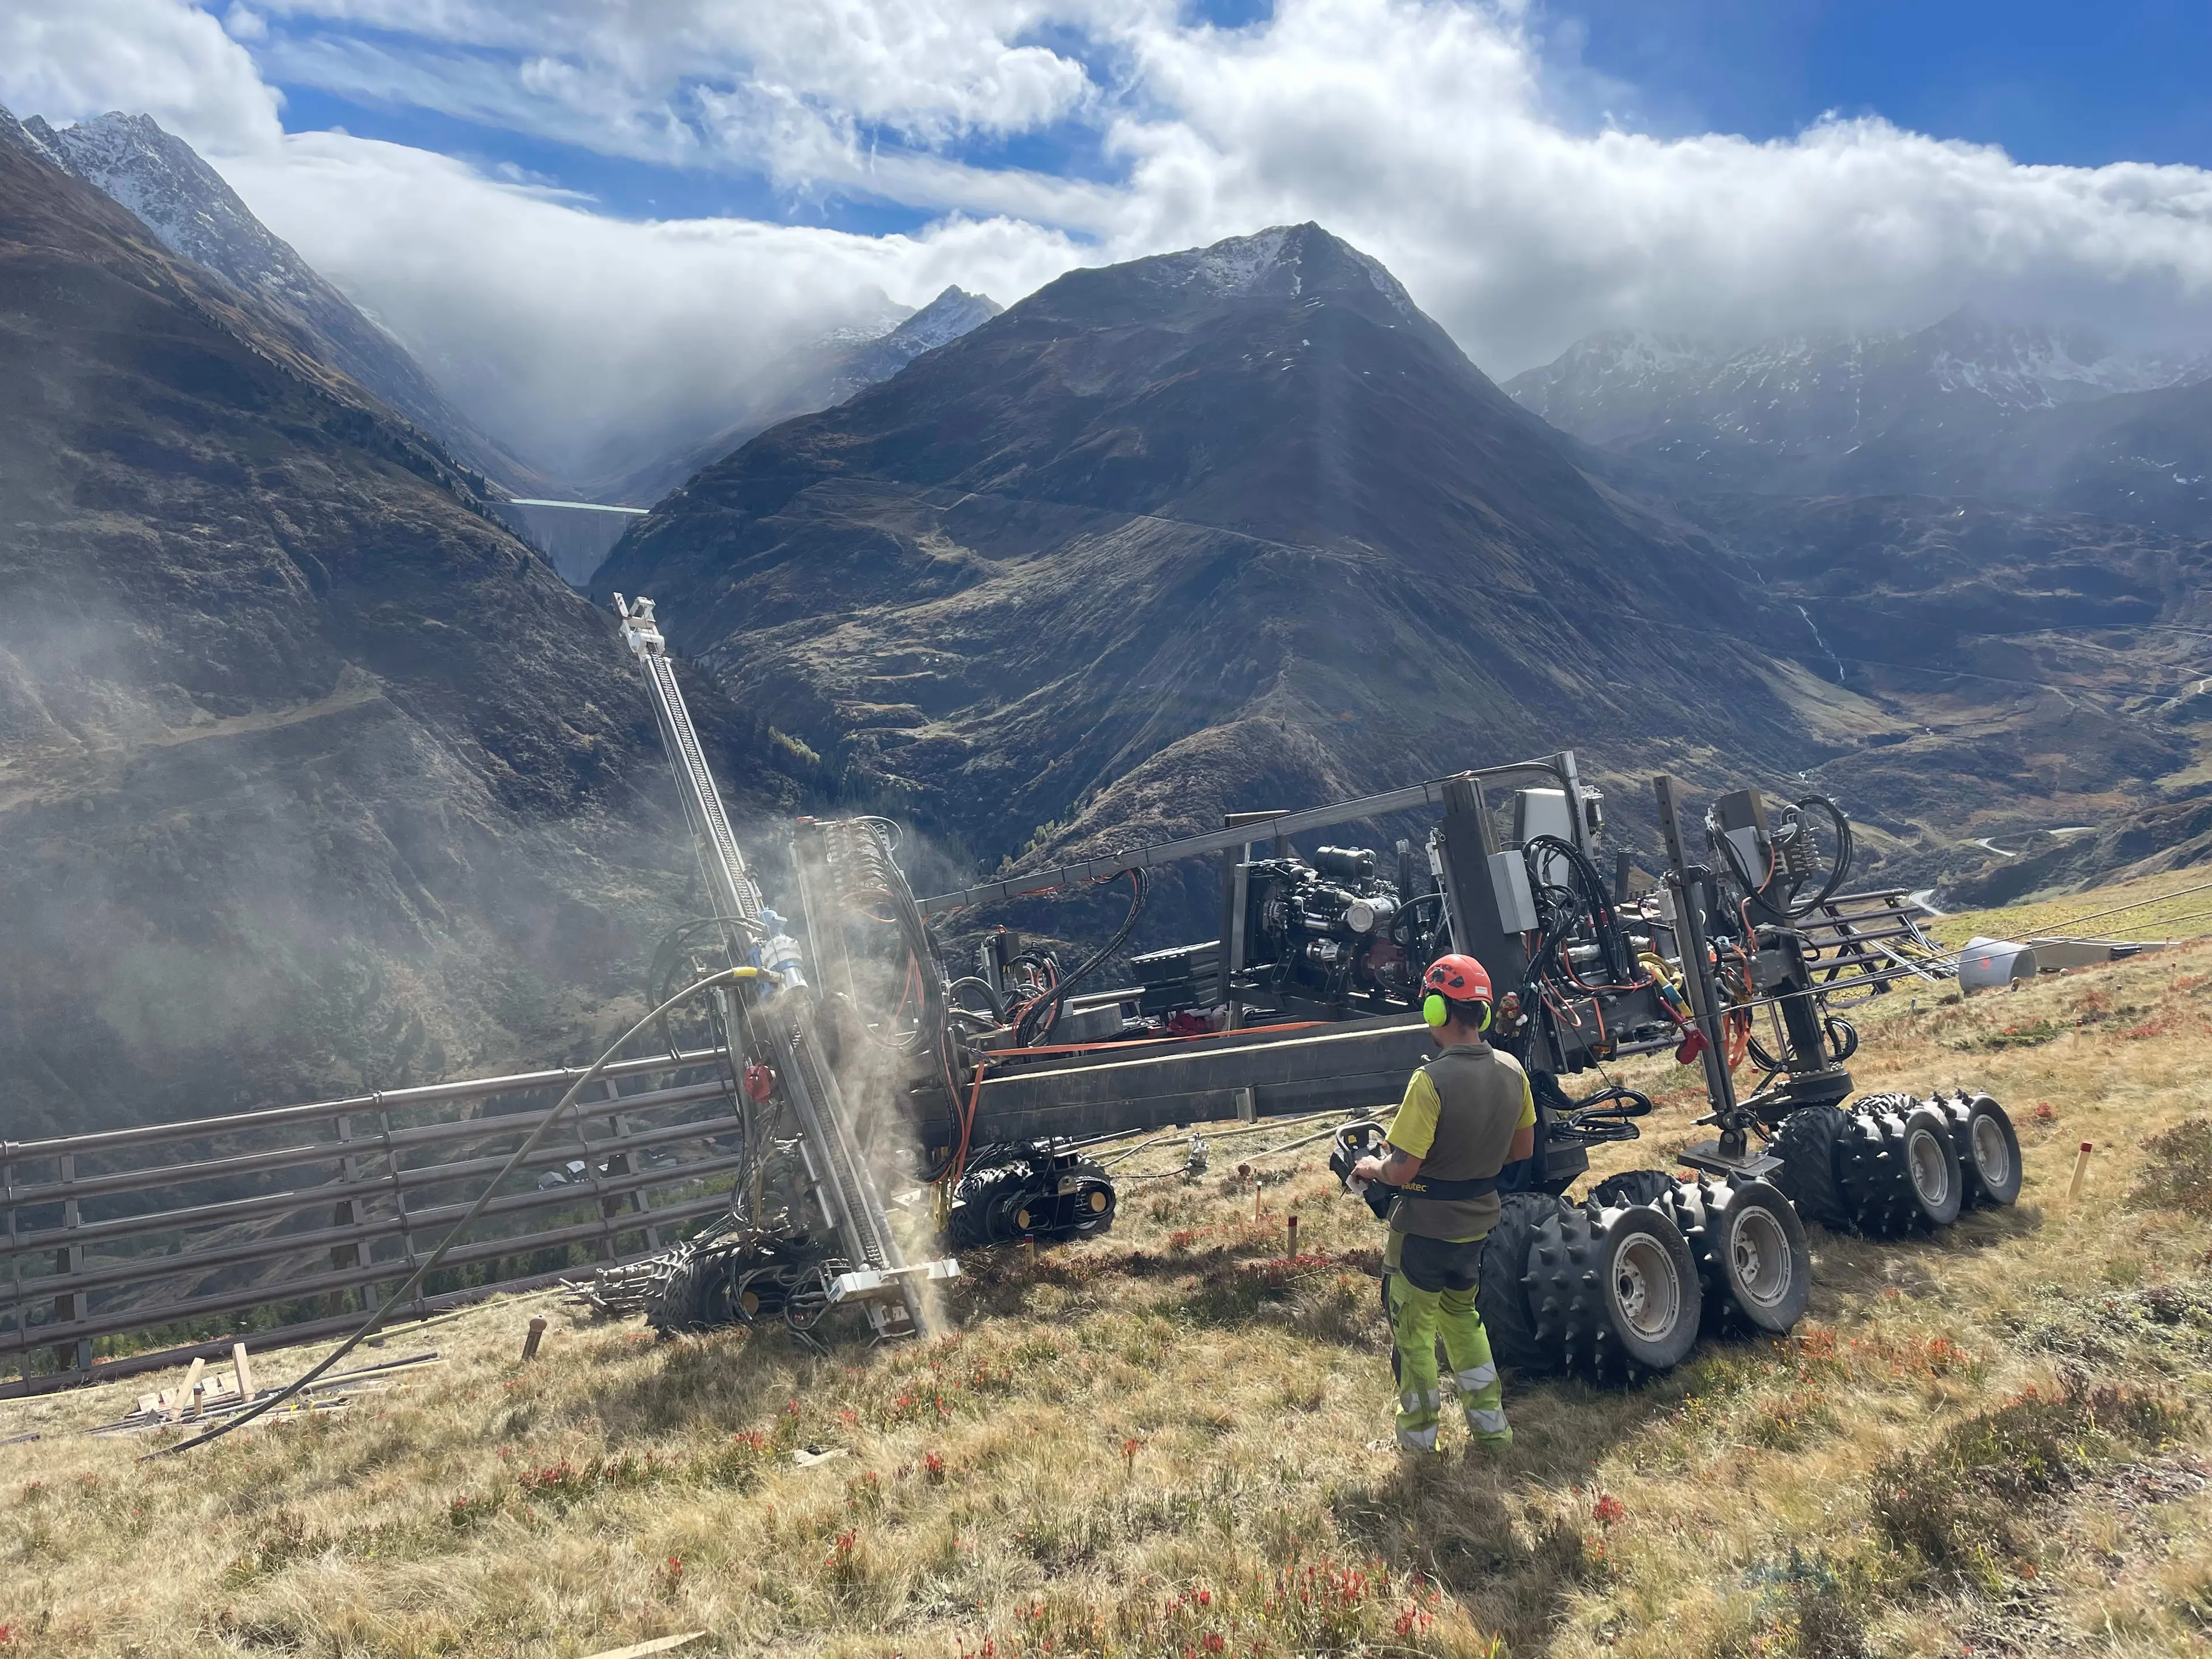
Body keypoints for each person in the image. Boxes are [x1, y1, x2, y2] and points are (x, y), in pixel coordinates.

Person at [1350, 953, 1536, 1454]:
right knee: (1464, 1321)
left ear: (1437, 1010)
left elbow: (1404, 1169)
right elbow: (1523, 1150)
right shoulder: (1513, 1071)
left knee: (1413, 1335)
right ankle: (1493, 1432)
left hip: (1424, 1230)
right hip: (1476, 1226)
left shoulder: (1430, 1081)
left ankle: (1417, 1443)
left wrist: (1372, 1169)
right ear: (1484, 1012)